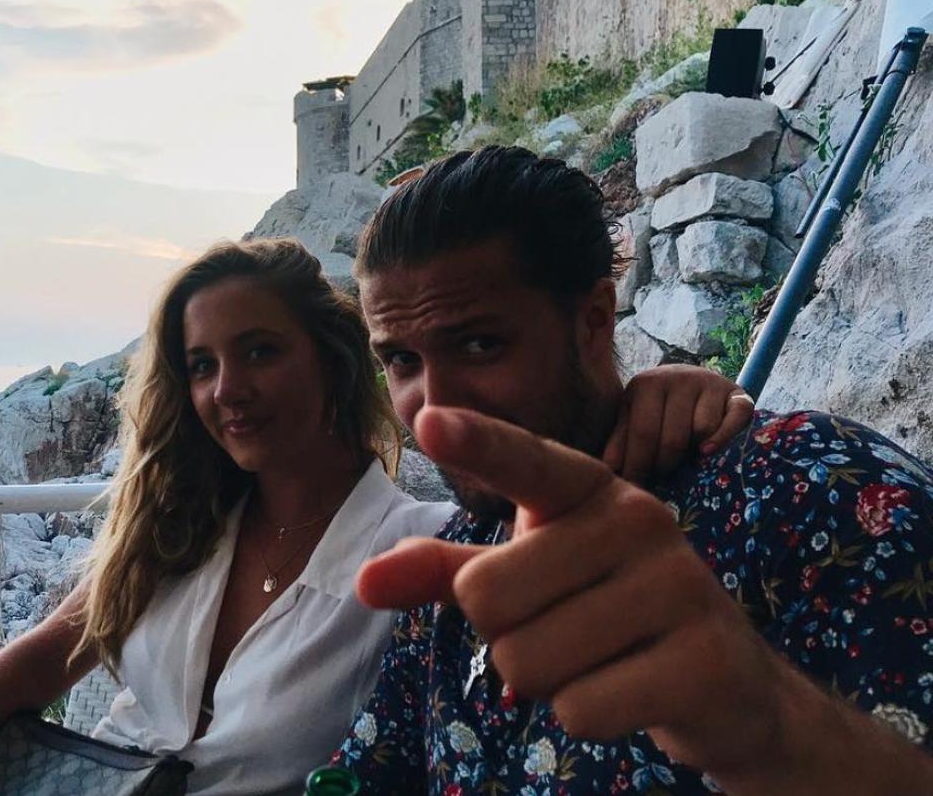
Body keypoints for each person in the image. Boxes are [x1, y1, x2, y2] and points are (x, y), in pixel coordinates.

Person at [0, 238, 750, 796]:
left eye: (259, 352)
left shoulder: (423, 550)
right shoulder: (179, 531)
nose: (227, 390)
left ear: (331, 360)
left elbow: (574, 503)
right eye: (202, 365)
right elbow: (30, 666)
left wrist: (664, 395)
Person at [333, 145, 933, 793]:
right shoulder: (451, 570)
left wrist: (772, 724)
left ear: (594, 320)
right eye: (401, 361)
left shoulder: (812, 488)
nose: (433, 405)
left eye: (481, 344)